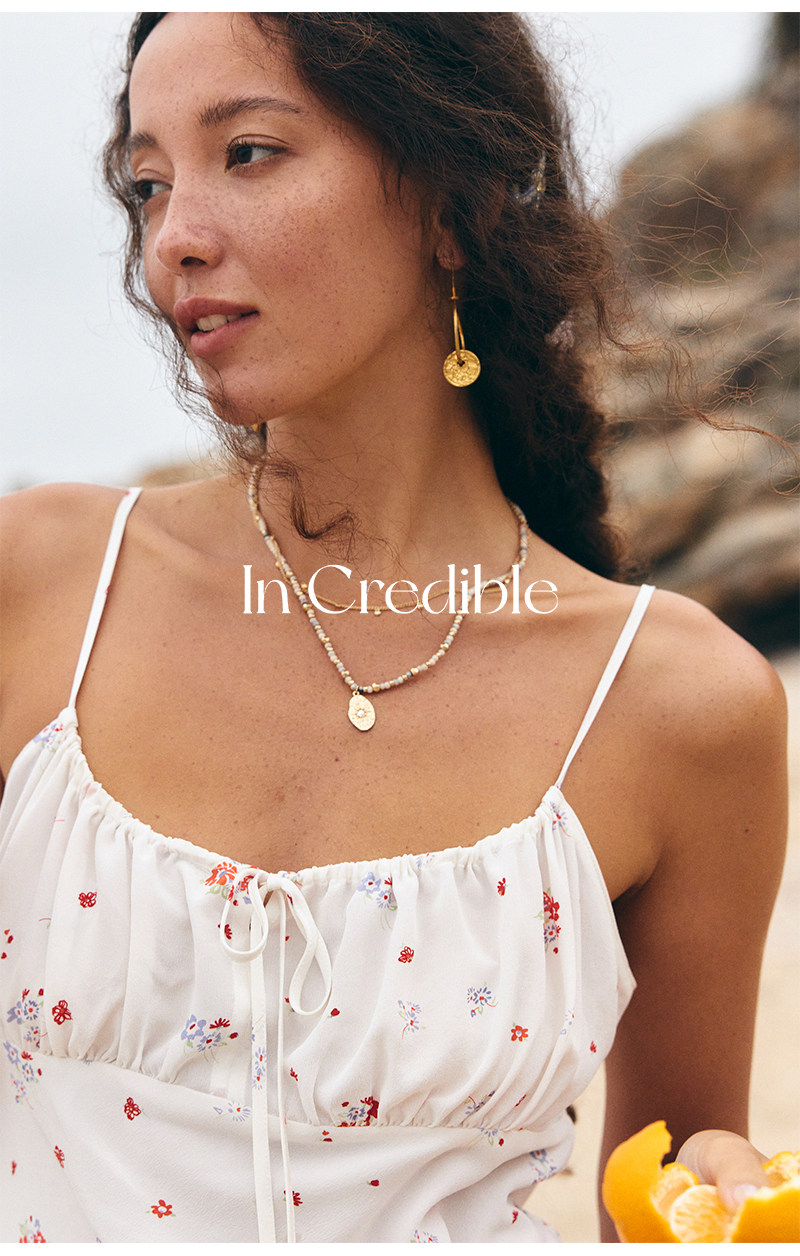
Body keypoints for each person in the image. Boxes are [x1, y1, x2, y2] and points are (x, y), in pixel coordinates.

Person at [0, 12, 788, 1244]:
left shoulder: (678, 703)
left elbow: (668, 1179)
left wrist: (726, 1181)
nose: (174, 240)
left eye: (247, 153)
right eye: (148, 185)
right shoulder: (44, 581)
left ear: (448, 201)